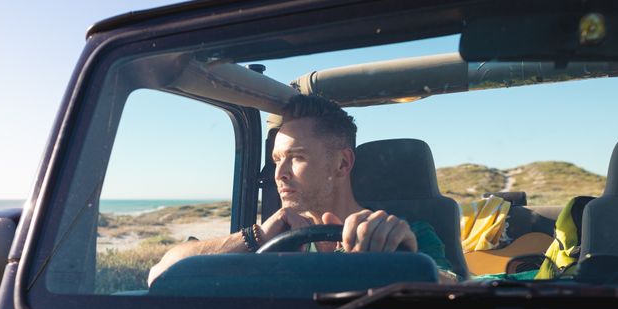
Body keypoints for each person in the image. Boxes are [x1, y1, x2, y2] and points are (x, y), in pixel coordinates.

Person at [148, 94, 453, 284]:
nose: (279, 174)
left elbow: (461, 291)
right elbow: (160, 274)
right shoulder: (273, 241)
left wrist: (407, 264)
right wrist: (256, 236)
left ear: (343, 164)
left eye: (297, 158)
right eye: (277, 160)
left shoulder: (407, 235)